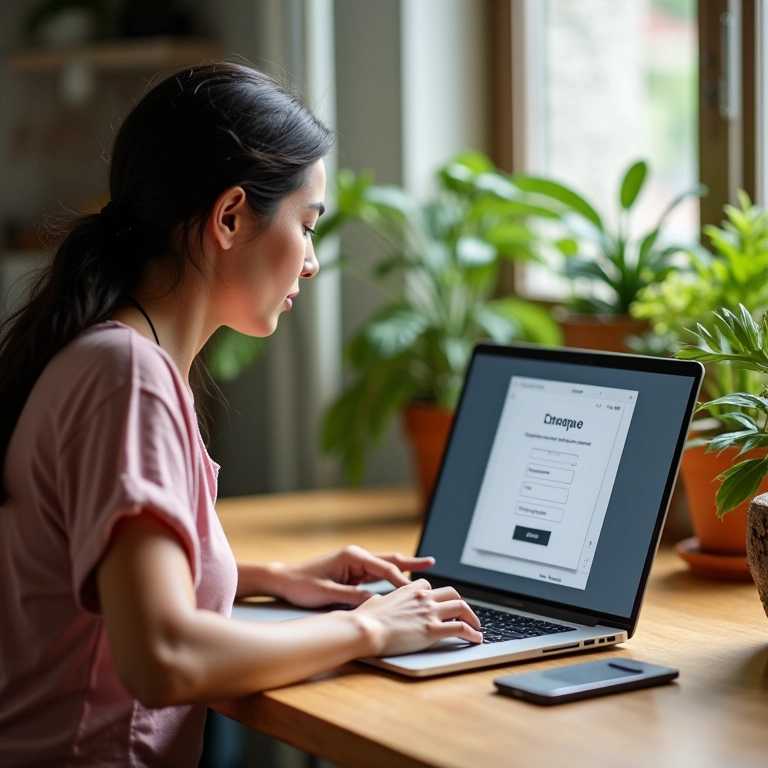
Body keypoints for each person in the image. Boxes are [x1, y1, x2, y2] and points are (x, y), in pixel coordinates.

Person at [0, 61, 482, 766]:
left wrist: (268, 575)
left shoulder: (99, 353)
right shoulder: (126, 378)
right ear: (228, 218)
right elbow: (163, 656)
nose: (311, 263)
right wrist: (372, 630)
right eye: (307, 225)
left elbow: (102, 579)